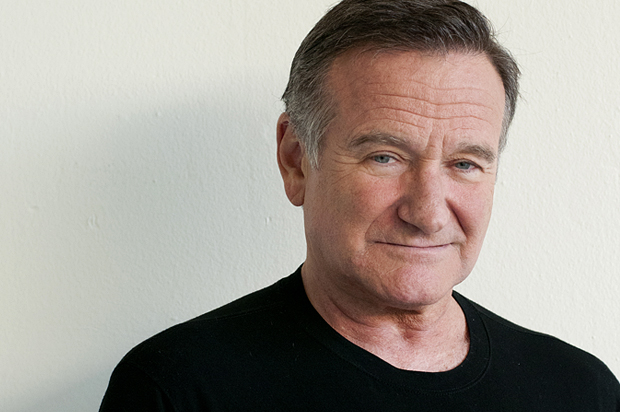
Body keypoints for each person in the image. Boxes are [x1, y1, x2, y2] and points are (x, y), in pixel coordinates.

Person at [100, 0, 620, 410]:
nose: (429, 213)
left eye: (465, 164)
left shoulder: (581, 389)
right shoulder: (177, 388)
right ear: (296, 159)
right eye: (385, 157)